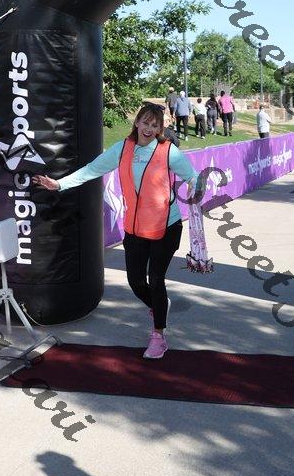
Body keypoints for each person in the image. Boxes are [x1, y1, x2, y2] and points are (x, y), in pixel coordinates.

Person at [32, 103, 197, 359]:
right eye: (145, 122)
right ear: (137, 122)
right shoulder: (122, 149)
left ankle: (158, 336)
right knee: (136, 281)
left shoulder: (169, 152)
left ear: (160, 129)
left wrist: (198, 188)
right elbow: (91, 170)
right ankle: (158, 305)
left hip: (167, 225)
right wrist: (59, 184)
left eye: (155, 125)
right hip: (135, 227)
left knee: (156, 279)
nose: (149, 129)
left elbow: (193, 177)